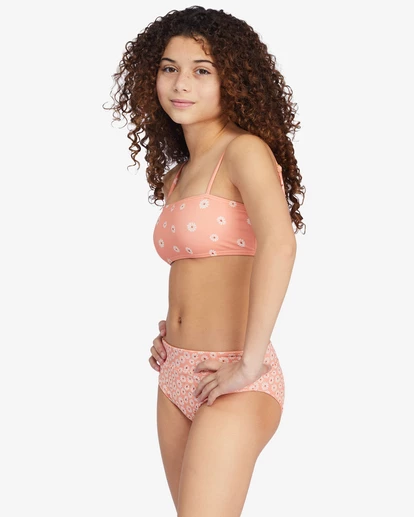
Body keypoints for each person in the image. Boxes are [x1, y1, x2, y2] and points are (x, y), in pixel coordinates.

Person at [106, 5, 305, 516]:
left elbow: (280, 245)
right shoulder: (176, 177)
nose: (181, 83)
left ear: (232, 80)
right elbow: (202, 270)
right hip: (174, 372)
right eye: (169, 68)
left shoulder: (244, 151)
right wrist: (173, 326)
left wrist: (250, 362)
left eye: (202, 70)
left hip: (236, 373)